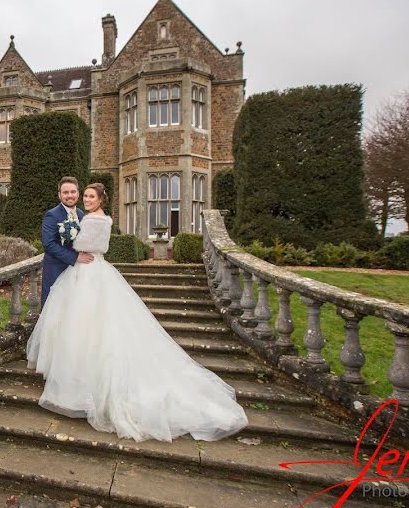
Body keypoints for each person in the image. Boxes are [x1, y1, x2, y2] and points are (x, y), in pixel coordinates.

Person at [26, 182, 249, 442]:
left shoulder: (93, 219)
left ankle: (81, 381)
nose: (81, 198)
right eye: (77, 194)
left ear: (100, 200)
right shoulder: (69, 216)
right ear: (60, 194)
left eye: (87, 195)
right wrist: (75, 251)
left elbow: (84, 244)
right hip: (80, 270)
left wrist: (76, 249)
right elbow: (53, 243)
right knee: (80, 326)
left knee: (90, 326)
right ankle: (73, 374)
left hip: (88, 273)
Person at [39, 176, 93, 308]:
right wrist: (75, 257)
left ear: (78, 193)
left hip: (78, 273)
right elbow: (48, 244)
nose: (70, 195)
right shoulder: (52, 215)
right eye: (65, 192)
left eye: (73, 192)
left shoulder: (82, 215)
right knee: (55, 310)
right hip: (57, 271)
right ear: (59, 195)